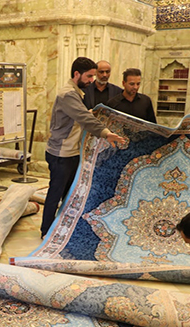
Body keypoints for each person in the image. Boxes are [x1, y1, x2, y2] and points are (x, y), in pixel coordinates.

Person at [40, 57, 125, 238]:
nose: (92, 80)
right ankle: (46, 231)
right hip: (61, 153)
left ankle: (60, 227)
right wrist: (105, 133)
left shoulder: (76, 92)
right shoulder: (68, 94)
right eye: (89, 76)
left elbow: (79, 115)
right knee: (56, 193)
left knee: (68, 194)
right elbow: (83, 118)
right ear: (77, 74)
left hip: (70, 152)